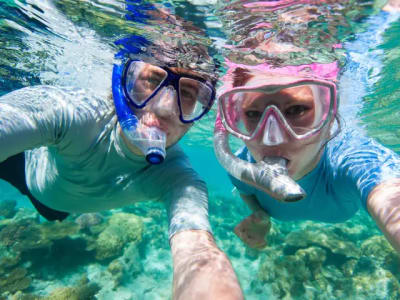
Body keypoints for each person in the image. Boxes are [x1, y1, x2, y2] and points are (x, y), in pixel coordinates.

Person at [0, 4, 244, 300]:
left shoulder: (178, 178)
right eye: (152, 80)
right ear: (121, 81)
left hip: (55, 206)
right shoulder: (71, 115)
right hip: (19, 166)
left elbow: (197, 250)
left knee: (54, 215)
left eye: (189, 94)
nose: (166, 108)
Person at [213, 1, 400, 253]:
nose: (271, 139)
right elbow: (246, 190)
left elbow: (389, 194)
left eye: (296, 110)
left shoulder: (354, 160)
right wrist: (260, 217)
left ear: (330, 115)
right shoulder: (242, 165)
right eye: (254, 113)